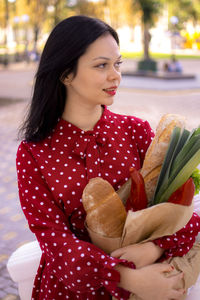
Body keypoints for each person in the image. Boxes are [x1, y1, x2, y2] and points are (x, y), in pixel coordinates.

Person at [16, 15, 200, 300]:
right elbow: (55, 241)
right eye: (102, 65)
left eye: (118, 64)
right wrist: (126, 277)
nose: (116, 75)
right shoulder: (34, 153)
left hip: (151, 281)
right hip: (72, 291)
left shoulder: (135, 131)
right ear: (66, 74)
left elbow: (182, 214)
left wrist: (154, 248)